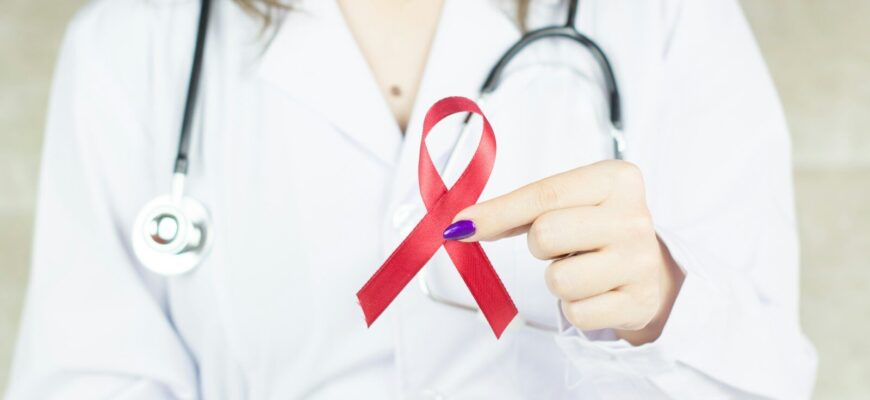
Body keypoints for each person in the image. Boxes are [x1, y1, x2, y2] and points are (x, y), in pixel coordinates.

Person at [6, 0, 817, 398]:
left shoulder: (667, 17)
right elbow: (87, 379)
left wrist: (666, 303)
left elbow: (774, 377)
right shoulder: (136, 40)